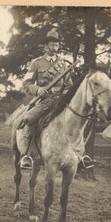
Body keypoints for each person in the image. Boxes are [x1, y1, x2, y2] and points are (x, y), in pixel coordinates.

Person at [18, 29, 73, 170]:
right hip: (44, 101)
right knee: (29, 119)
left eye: (56, 45)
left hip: (60, 101)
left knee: (76, 119)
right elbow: (26, 84)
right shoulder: (36, 63)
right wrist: (38, 90)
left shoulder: (64, 65)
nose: (54, 48)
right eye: (52, 45)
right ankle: (26, 155)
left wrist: (66, 92)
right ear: (46, 46)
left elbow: (69, 85)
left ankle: (80, 154)